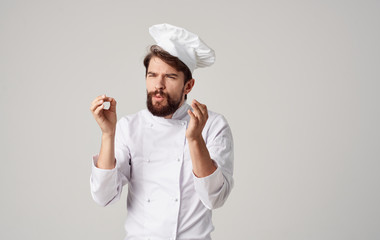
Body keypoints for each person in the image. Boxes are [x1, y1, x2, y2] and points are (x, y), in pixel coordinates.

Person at [89, 23, 234, 240]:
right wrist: (108, 135)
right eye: (152, 75)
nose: (159, 85)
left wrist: (195, 139)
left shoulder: (212, 125)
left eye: (170, 77)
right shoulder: (129, 127)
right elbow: (103, 196)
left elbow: (214, 198)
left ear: (189, 85)